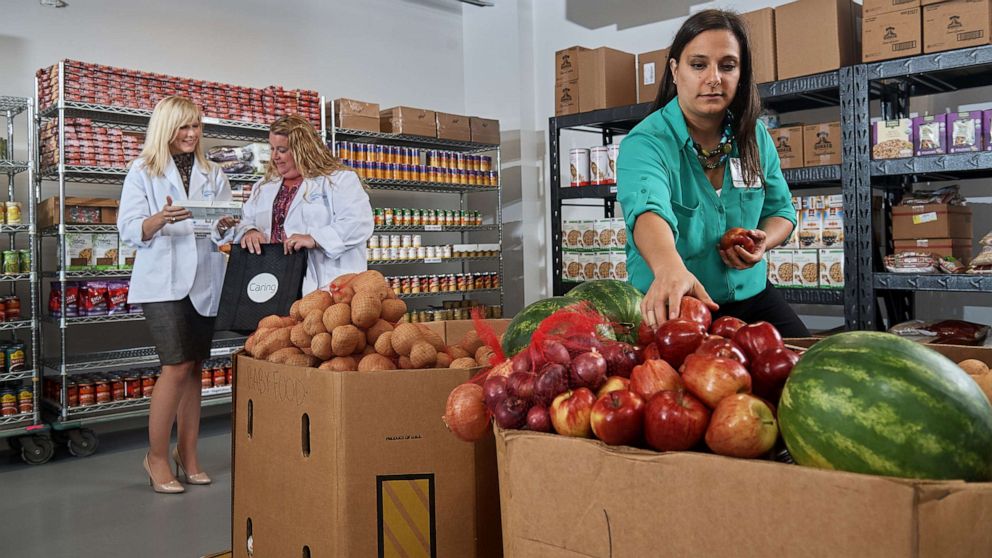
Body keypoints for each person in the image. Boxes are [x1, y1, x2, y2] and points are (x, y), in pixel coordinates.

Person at [617, 9, 810, 338]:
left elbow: (781, 211)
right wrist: (669, 268)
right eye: (698, 64)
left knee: (805, 361)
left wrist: (764, 242)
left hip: (750, 294)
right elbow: (648, 210)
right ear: (675, 71)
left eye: (728, 65)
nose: (714, 78)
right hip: (675, 303)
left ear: (741, 74)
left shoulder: (754, 137)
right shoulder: (646, 142)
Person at [118, 95, 235, 494]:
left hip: (204, 278)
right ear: (166, 128)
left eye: (196, 126)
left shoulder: (213, 171)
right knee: (175, 365)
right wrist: (159, 218)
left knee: (195, 368)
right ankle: (155, 457)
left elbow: (224, 231)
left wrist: (225, 225)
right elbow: (130, 228)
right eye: (183, 126)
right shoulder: (143, 170)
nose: (191, 134)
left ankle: (189, 455)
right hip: (163, 281)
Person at [234, 115, 373, 294]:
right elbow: (246, 219)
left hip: (327, 283)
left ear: (302, 150)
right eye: (272, 149)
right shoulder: (264, 186)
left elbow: (359, 223)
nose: (275, 156)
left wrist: (316, 238)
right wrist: (249, 230)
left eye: (282, 150)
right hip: (274, 281)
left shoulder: (338, 180)